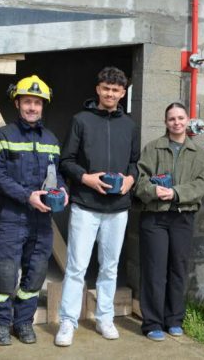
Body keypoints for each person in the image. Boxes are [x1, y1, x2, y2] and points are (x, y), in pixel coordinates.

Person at [55, 66, 140, 347]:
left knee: (110, 267)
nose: (110, 94)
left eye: (115, 90)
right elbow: (66, 160)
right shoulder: (81, 120)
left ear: (122, 93)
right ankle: (68, 321)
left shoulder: (129, 124)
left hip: (118, 208)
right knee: (77, 267)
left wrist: (131, 179)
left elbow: (135, 162)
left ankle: (105, 317)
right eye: (106, 88)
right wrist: (86, 178)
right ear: (98, 89)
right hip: (85, 205)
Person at [0, 75, 68, 345]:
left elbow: (57, 174)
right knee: (6, 276)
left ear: (43, 106)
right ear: (17, 103)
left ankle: (23, 323)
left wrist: (64, 191)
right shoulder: (3, 136)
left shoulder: (51, 139)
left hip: (41, 221)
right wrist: (26, 196)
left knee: (35, 275)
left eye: (37, 103)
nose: (32, 107)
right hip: (11, 219)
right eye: (27, 102)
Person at [135, 102, 204, 342]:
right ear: (165, 122)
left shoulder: (198, 154)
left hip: (182, 217)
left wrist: (176, 193)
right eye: (171, 119)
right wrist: (154, 191)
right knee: (155, 271)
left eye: (180, 118)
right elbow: (140, 179)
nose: (176, 122)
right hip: (155, 216)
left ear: (187, 120)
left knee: (178, 270)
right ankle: (152, 323)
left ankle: (174, 320)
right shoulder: (153, 148)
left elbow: (201, 184)